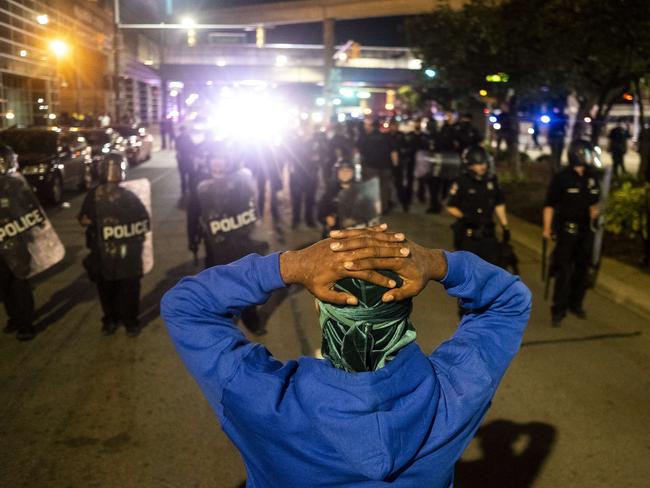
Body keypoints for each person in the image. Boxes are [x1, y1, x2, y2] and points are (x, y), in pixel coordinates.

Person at [161, 225, 532, 486]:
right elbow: (510, 301)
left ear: (323, 311)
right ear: (404, 311)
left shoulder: (261, 402)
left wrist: (289, 266)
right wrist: (437, 263)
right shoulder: (454, 396)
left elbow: (186, 305)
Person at [186, 140, 266, 335]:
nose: (217, 163)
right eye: (214, 159)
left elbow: (251, 207)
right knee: (219, 284)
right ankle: (224, 320)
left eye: (221, 159)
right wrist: (193, 238)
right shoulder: (200, 184)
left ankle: (251, 319)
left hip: (240, 243)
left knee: (245, 282)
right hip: (214, 245)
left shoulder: (239, 181)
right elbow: (193, 213)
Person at [79, 155, 151, 336]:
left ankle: (130, 321)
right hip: (103, 251)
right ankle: (111, 318)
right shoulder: (94, 195)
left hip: (127, 251)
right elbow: (83, 218)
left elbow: (143, 220)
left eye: (117, 168)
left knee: (129, 287)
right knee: (106, 288)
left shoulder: (130, 195)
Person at [543, 139, 601, 326]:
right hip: (567, 231)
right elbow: (550, 205)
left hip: (586, 232)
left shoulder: (592, 177)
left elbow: (595, 199)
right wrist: (546, 228)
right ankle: (558, 309)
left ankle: (575, 304)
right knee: (564, 271)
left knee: (582, 270)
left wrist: (595, 210)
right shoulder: (562, 178)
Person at [445, 145, 509, 269]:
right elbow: (450, 206)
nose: (483, 166)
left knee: (493, 269)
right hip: (469, 235)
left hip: (489, 234)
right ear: (469, 165)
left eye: (484, 162)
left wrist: (504, 225)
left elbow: (499, 203)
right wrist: (465, 217)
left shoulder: (491, 180)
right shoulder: (462, 181)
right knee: (470, 271)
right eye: (478, 163)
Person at [0, 145, 36, 341]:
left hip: (16, 242)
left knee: (19, 283)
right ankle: (14, 318)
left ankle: (26, 323)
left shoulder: (17, 185)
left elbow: (31, 212)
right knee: (4, 285)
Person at [356, 119, 398, 215]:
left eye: (367, 125)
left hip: (370, 167)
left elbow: (358, 151)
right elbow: (393, 152)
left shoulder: (364, 137)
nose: (366, 127)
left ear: (371, 126)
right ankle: (383, 208)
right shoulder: (387, 137)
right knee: (384, 188)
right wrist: (395, 166)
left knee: (371, 188)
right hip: (385, 167)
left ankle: (372, 208)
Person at [286, 124, 319, 228]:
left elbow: (321, 155)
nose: (306, 132)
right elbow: (288, 155)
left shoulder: (316, 142)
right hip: (297, 175)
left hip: (311, 174)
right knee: (296, 199)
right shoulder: (295, 142)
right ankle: (296, 220)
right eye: (304, 129)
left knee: (310, 199)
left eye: (308, 129)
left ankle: (309, 220)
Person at [175, 126, 196, 197]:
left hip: (188, 159)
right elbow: (177, 149)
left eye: (185, 130)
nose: (184, 132)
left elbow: (193, 148)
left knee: (191, 176)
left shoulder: (189, 138)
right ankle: (184, 190)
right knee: (183, 177)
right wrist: (179, 156)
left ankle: (190, 189)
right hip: (182, 160)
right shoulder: (178, 139)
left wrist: (192, 156)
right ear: (181, 131)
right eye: (183, 131)